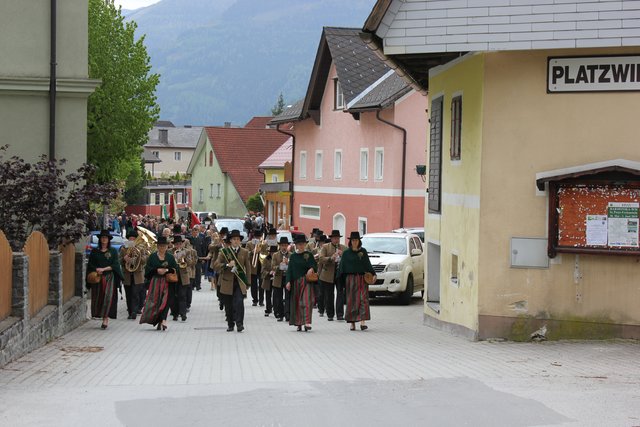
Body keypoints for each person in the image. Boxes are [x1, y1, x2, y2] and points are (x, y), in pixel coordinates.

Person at [214, 229, 251, 332]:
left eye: (238, 239)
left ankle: (240, 324)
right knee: (229, 305)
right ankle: (230, 324)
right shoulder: (224, 252)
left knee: (239, 302)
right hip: (227, 282)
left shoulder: (245, 252)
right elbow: (216, 265)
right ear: (230, 240)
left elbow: (248, 268)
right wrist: (226, 265)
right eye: (234, 239)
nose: (236, 241)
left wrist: (248, 282)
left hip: (239, 282)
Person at [338, 231, 376, 331]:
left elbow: (367, 264)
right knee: (352, 301)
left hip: (362, 279)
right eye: (353, 240)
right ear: (350, 241)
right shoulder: (346, 253)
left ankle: (363, 322)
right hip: (350, 279)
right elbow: (342, 268)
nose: (355, 242)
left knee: (363, 299)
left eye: (356, 240)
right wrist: (340, 282)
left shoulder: (363, 252)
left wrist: (373, 274)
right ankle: (352, 323)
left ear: (359, 241)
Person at [86, 230, 124, 329]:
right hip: (97, 278)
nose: (104, 239)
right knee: (99, 297)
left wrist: (104, 269)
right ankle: (100, 314)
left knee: (108, 296)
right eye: (102, 238)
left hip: (109, 277)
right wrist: (96, 269)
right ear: (100, 239)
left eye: (106, 238)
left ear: (108, 240)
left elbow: (115, 265)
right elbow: (90, 264)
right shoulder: (95, 251)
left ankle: (105, 319)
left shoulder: (113, 251)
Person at [140, 236, 177, 331]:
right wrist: (157, 270)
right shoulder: (152, 257)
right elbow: (147, 270)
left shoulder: (170, 257)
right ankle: (158, 320)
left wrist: (167, 270)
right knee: (156, 302)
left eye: (164, 246)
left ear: (167, 246)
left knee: (166, 301)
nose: (162, 248)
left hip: (167, 282)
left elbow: (175, 269)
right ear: (157, 246)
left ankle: (164, 320)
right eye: (160, 246)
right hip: (156, 281)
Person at [285, 234, 318, 332]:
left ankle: (307, 322)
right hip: (295, 282)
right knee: (297, 303)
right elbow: (289, 270)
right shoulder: (293, 256)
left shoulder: (309, 255)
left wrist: (311, 268)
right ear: (296, 245)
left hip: (306, 281)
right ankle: (299, 323)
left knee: (307, 301)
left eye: (303, 244)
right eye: (299, 244)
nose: (301, 246)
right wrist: (288, 282)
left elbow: (314, 265)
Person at [318, 230, 347, 322]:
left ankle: (340, 314)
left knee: (340, 294)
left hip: (339, 274)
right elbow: (321, 258)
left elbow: (348, 260)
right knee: (329, 295)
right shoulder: (325, 247)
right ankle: (330, 314)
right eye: (334, 238)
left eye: (338, 238)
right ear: (331, 239)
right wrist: (331, 258)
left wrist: (343, 256)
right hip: (328, 274)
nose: (336, 240)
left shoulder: (344, 248)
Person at [119, 229, 148, 320]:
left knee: (135, 294)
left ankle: (134, 312)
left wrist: (138, 257)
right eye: (130, 239)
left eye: (133, 239)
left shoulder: (141, 248)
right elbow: (119, 261)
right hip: (127, 275)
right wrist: (124, 259)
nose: (131, 240)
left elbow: (144, 260)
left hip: (137, 275)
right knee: (128, 295)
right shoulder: (124, 249)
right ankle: (130, 312)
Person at [169, 235, 190, 322]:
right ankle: (175, 313)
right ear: (174, 244)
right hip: (173, 276)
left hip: (183, 276)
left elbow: (191, 262)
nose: (178, 246)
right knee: (173, 296)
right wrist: (173, 258)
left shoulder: (186, 251)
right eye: (176, 244)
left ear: (182, 244)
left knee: (182, 295)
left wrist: (184, 258)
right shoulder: (170, 252)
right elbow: (167, 263)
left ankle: (183, 313)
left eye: (179, 244)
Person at [270, 236, 290, 322]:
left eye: (285, 245)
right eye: (282, 245)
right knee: (278, 297)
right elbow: (273, 267)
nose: (284, 247)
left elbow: (294, 267)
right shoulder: (275, 255)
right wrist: (281, 265)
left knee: (288, 297)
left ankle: (287, 314)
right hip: (278, 278)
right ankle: (280, 314)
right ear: (280, 246)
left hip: (287, 278)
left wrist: (288, 263)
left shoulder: (291, 255)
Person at [245, 229, 265, 307]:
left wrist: (261, 251)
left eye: (259, 237)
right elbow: (246, 254)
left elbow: (267, 253)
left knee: (261, 284)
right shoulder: (249, 244)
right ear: (254, 237)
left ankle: (261, 301)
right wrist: (253, 252)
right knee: (253, 285)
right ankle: (255, 300)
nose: (258, 238)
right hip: (253, 267)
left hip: (261, 266)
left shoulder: (263, 243)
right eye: (256, 237)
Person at [261, 245, 277, 317]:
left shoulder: (278, 258)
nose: (273, 254)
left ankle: (275, 308)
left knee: (275, 295)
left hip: (276, 279)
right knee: (268, 295)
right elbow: (263, 270)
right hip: (268, 279)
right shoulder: (265, 259)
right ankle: (268, 309)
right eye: (271, 252)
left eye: (274, 252)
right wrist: (268, 273)